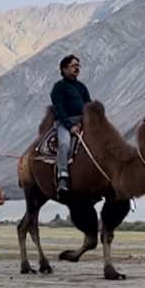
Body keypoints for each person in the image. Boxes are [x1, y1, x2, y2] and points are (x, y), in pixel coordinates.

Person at [50, 54, 91, 192]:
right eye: (73, 65)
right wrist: (70, 126)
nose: (77, 68)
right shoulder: (59, 87)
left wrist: (85, 121)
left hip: (82, 121)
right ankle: (63, 176)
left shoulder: (82, 87)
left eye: (78, 65)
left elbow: (88, 105)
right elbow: (59, 109)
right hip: (65, 123)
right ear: (64, 69)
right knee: (64, 144)